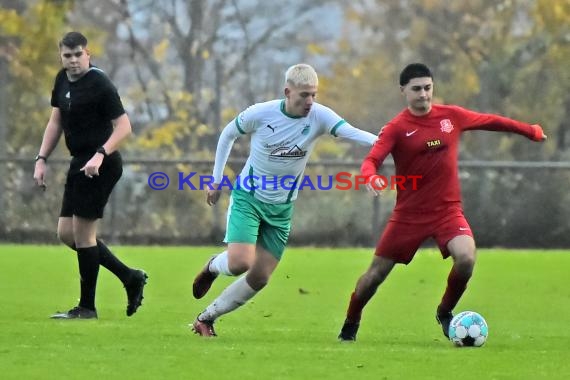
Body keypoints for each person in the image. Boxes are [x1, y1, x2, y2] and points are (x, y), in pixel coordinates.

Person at [337, 63, 547, 341]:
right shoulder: (396, 128)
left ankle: (445, 312)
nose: (423, 94)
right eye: (416, 89)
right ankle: (351, 322)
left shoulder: (451, 116)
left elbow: (491, 121)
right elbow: (371, 160)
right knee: (374, 277)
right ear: (403, 91)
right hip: (409, 215)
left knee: (466, 258)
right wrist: (370, 177)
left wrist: (529, 130)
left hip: (448, 211)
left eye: (427, 88)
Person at [191, 63, 378, 337]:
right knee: (240, 262)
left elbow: (353, 132)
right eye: (304, 95)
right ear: (288, 92)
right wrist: (216, 179)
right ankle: (212, 265)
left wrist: (389, 142)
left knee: (260, 276)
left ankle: (206, 318)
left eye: (313, 94)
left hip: (281, 209)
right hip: (249, 198)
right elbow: (227, 134)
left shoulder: (319, 116)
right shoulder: (260, 113)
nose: (310, 101)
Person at [33, 31, 148, 319]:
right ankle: (129, 276)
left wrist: (100, 153)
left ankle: (87, 307)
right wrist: (41, 158)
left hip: (101, 164)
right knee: (66, 234)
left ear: (88, 55)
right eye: (67, 55)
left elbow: (124, 127)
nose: (73, 61)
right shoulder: (61, 79)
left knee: (84, 236)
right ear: (61, 56)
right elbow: (55, 121)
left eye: (78, 55)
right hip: (79, 162)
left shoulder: (100, 83)